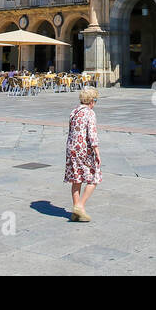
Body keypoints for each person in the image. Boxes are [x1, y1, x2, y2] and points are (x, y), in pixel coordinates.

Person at [65, 87, 101, 222]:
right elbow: (92, 134)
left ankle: (76, 212)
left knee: (76, 179)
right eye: (95, 100)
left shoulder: (74, 111)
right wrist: (97, 151)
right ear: (91, 100)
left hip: (71, 148)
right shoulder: (90, 113)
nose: (95, 103)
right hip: (83, 149)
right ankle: (80, 206)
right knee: (95, 177)